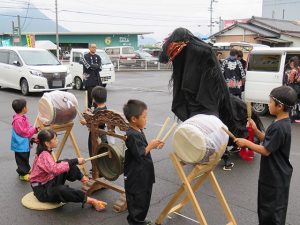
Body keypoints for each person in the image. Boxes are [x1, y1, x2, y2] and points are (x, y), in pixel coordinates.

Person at [234, 85, 297, 225]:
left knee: (271, 212)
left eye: (269, 102)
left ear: (279, 106)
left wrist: (246, 142)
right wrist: (256, 130)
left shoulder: (280, 127)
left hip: (275, 177)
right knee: (267, 209)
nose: (268, 104)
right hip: (275, 175)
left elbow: (266, 150)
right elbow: (269, 142)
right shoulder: (281, 122)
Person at [29, 129, 107, 211]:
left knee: (65, 162)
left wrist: (72, 162)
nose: (57, 140)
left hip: (49, 181)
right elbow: (54, 169)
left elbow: (58, 166)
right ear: (47, 143)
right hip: (42, 190)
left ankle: (84, 180)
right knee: (62, 190)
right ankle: (91, 201)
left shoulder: (45, 151)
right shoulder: (44, 155)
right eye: (55, 139)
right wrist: (76, 161)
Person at [123, 99, 164, 225]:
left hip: (143, 173)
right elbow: (140, 154)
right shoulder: (131, 134)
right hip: (136, 176)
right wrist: (151, 146)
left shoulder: (138, 131)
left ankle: (140, 219)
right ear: (134, 119)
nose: (146, 119)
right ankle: (136, 221)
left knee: (144, 199)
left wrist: (154, 145)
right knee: (137, 200)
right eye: (144, 117)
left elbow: (142, 149)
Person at [11, 99, 38, 181]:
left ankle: (27, 169)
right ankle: (22, 174)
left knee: (25, 157)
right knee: (21, 159)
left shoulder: (23, 117)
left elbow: (28, 127)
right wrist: (34, 130)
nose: (27, 107)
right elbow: (24, 133)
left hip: (24, 143)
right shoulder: (18, 120)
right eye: (26, 106)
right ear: (23, 108)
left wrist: (34, 130)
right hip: (20, 145)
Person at [80, 86, 108, 166]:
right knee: (102, 151)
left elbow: (92, 123)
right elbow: (97, 119)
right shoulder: (104, 108)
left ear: (94, 99)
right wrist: (90, 113)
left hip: (95, 135)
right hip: (103, 135)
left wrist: (84, 121)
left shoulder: (97, 111)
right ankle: (102, 169)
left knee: (94, 152)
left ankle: (96, 170)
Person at [81, 43, 103, 108]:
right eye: (93, 47)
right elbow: (87, 66)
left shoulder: (98, 57)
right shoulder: (85, 56)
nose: (94, 49)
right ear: (89, 48)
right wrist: (95, 66)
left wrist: (93, 66)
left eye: (95, 47)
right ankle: (89, 109)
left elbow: (100, 67)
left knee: (97, 96)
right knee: (90, 96)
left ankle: (97, 110)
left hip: (97, 79)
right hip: (88, 80)